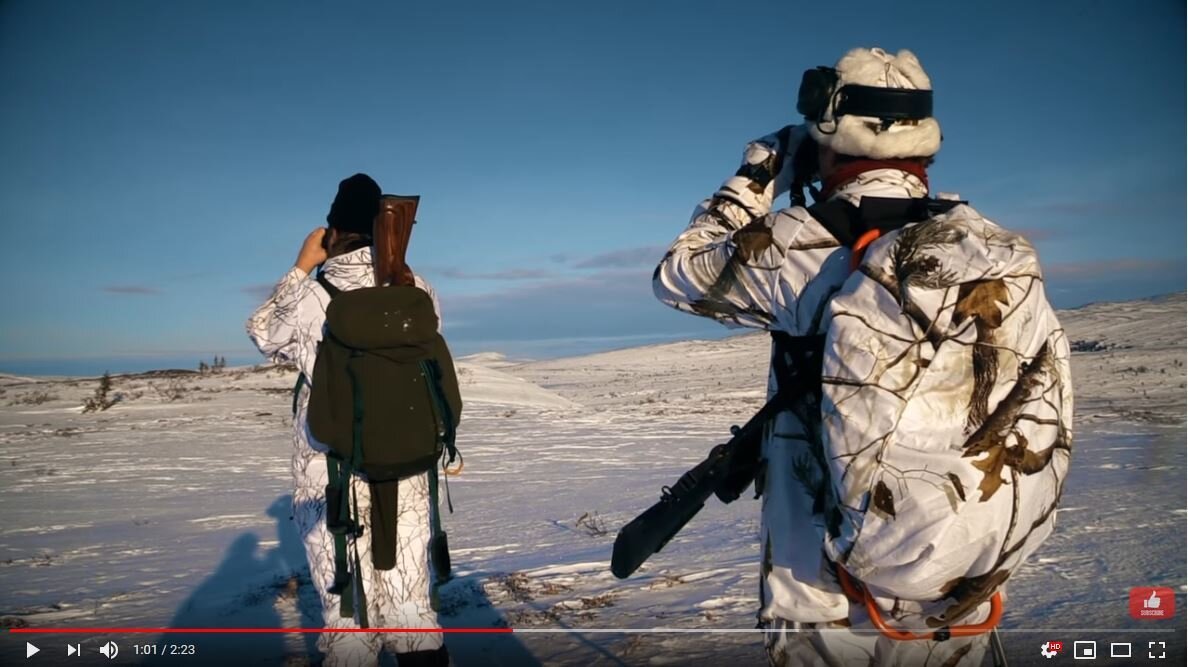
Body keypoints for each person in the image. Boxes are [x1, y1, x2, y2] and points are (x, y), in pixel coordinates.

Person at [653, 48, 1072, 666]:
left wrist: (758, 171)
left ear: (829, 140)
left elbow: (678, 274)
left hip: (826, 591)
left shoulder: (804, 243)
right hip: (962, 576)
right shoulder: (986, 241)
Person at [247, 173, 449, 667]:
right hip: (406, 463)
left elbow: (264, 336)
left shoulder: (313, 294)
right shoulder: (414, 287)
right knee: (411, 604)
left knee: (347, 612)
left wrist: (300, 267)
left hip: (329, 467)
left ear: (331, 231)